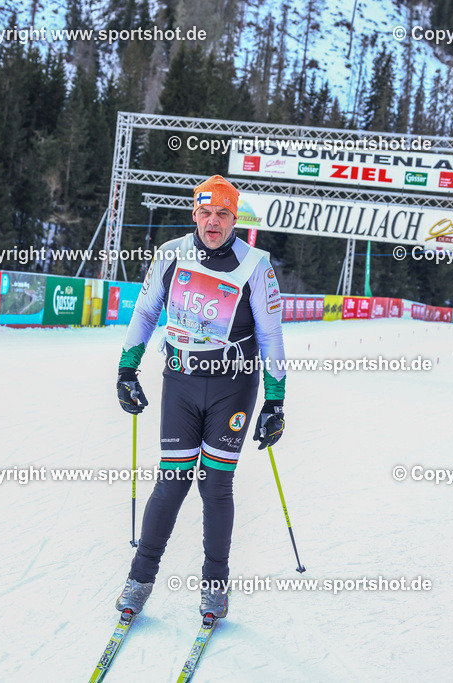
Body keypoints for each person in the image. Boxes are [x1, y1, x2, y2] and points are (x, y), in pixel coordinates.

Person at [114, 174, 287, 620]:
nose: (214, 221)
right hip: (182, 381)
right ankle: (139, 580)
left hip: (234, 385)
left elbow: (270, 334)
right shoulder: (170, 255)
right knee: (171, 482)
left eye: (223, 214)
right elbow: (147, 310)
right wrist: (126, 370)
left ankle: (214, 586)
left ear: (235, 218)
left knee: (214, 485)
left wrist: (275, 400)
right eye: (206, 212)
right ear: (195, 213)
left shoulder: (256, 264)